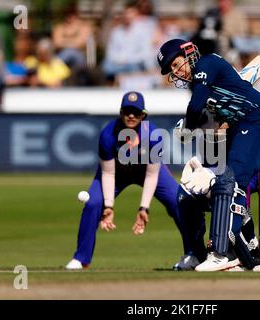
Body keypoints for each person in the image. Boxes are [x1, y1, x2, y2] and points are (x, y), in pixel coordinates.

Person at [157, 39, 260, 271]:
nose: (176, 71)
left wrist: (187, 126)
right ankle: (248, 254)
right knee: (198, 190)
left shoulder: (207, 63)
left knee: (231, 181)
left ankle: (220, 252)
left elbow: (194, 109)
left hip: (258, 121)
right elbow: (213, 122)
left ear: (188, 53)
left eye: (176, 63)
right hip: (239, 127)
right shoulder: (206, 86)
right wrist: (198, 126)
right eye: (171, 70)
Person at [66, 91, 187, 269]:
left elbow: (152, 174)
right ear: (121, 112)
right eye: (127, 111)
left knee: (179, 201)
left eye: (136, 112)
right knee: (93, 204)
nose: (131, 116)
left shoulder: (153, 135)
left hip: (147, 171)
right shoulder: (108, 134)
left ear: (143, 115)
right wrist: (108, 206)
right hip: (116, 173)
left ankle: (194, 253)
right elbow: (108, 173)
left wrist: (143, 208)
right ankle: (81, 258)